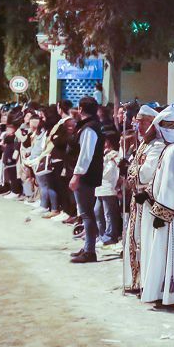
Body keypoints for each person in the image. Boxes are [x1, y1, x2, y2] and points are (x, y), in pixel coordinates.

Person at [141, 107, 174, 305]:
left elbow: (170, 185)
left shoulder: (172, 151)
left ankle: (169, 293)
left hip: (171, 209)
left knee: (172, 250)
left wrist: (162, 213)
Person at [123, 105, 163, 293]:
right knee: (134, 238)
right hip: (136, 198)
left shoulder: (158, 146)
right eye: (138, 123)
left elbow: (145, 174)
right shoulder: (144, 145)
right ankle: (135, 280)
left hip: (148, 199)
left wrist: (131, 171)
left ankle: (145, 282)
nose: (140, 128)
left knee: (144, 239)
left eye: (144, 123)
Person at [69, 97, 104, 264]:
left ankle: (90, 251)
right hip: (86, 176)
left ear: (81, 108)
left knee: (87, 214)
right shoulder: (88, 126)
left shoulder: (89, 129)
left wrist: (77, 175)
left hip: (86, 177)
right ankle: (87, 246)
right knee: (86, 213)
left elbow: (85, 155)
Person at [93, 131, 122, 247]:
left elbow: (110, 172)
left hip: (109, 187)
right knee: (97, 211)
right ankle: (102, 234)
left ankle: (110, 235)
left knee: (108, 213)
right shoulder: (104, 154)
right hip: (100, 187)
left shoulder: (114, 155)